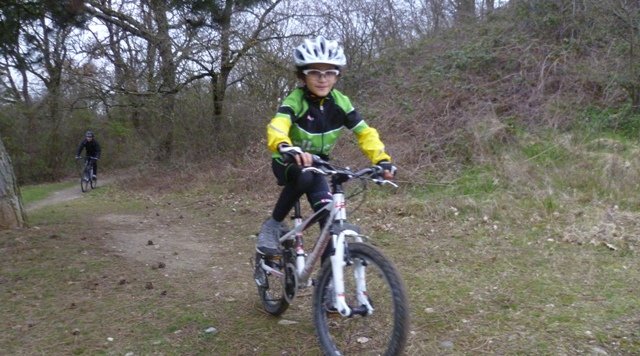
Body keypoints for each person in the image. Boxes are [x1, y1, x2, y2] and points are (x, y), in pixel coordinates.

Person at [256, 36, 397, 257]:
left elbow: (365, 132)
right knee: (304, 176)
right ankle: (273, 224)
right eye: (314, 72)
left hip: (319, 164)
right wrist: (284, 145)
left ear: (337, 75)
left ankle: (328, 284)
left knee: (328, 219)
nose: (323, 79)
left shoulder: (341, 103)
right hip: (287, 161)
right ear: (302, 75)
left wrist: (381, 160)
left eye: (329, 72)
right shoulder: (296, 100)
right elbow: (278, 124)